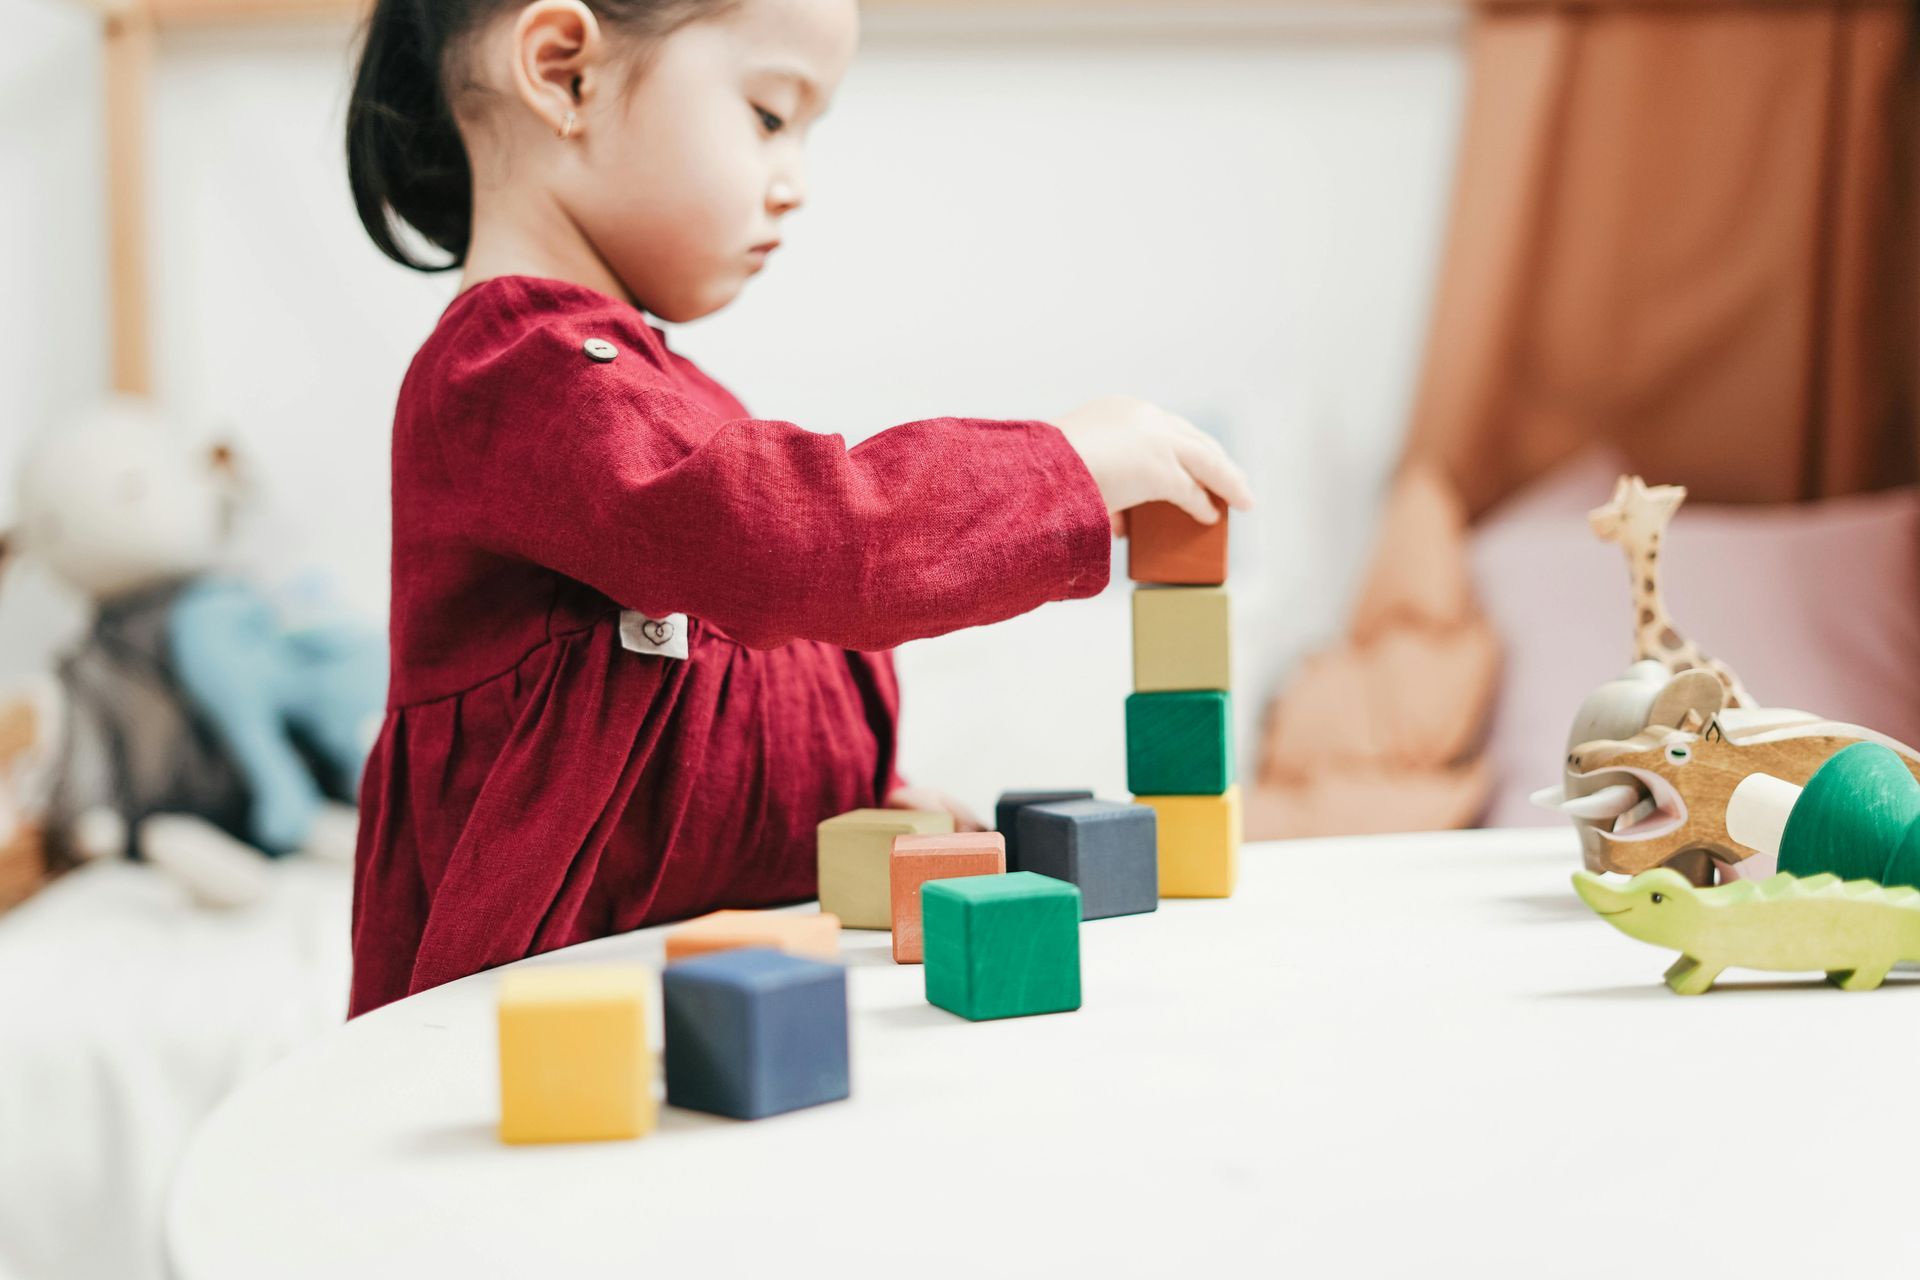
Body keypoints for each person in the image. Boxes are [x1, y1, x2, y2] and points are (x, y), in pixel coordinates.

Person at [342, 0, 1253, 1015]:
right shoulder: (513, 372)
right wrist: (1060, 470)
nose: (796, 184)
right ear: (566, 74)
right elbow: (795, 545)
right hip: (539, 1006)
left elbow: (711, 711)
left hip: (715, 978)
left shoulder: (646, 395)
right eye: (771, 116)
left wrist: (851, 810)